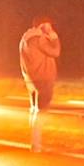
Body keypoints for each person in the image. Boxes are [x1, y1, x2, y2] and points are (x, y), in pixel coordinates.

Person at [18, 16, 61, 152]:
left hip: (31, 79)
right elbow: (55, 52)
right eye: (48, 26)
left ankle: (34, 142)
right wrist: (54, 38)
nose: (50, 28)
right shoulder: (39, 39)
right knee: (41, 111)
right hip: (44, 78)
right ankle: (36, 144)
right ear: (42, 26)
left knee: (34, 110)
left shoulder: (25, 39)